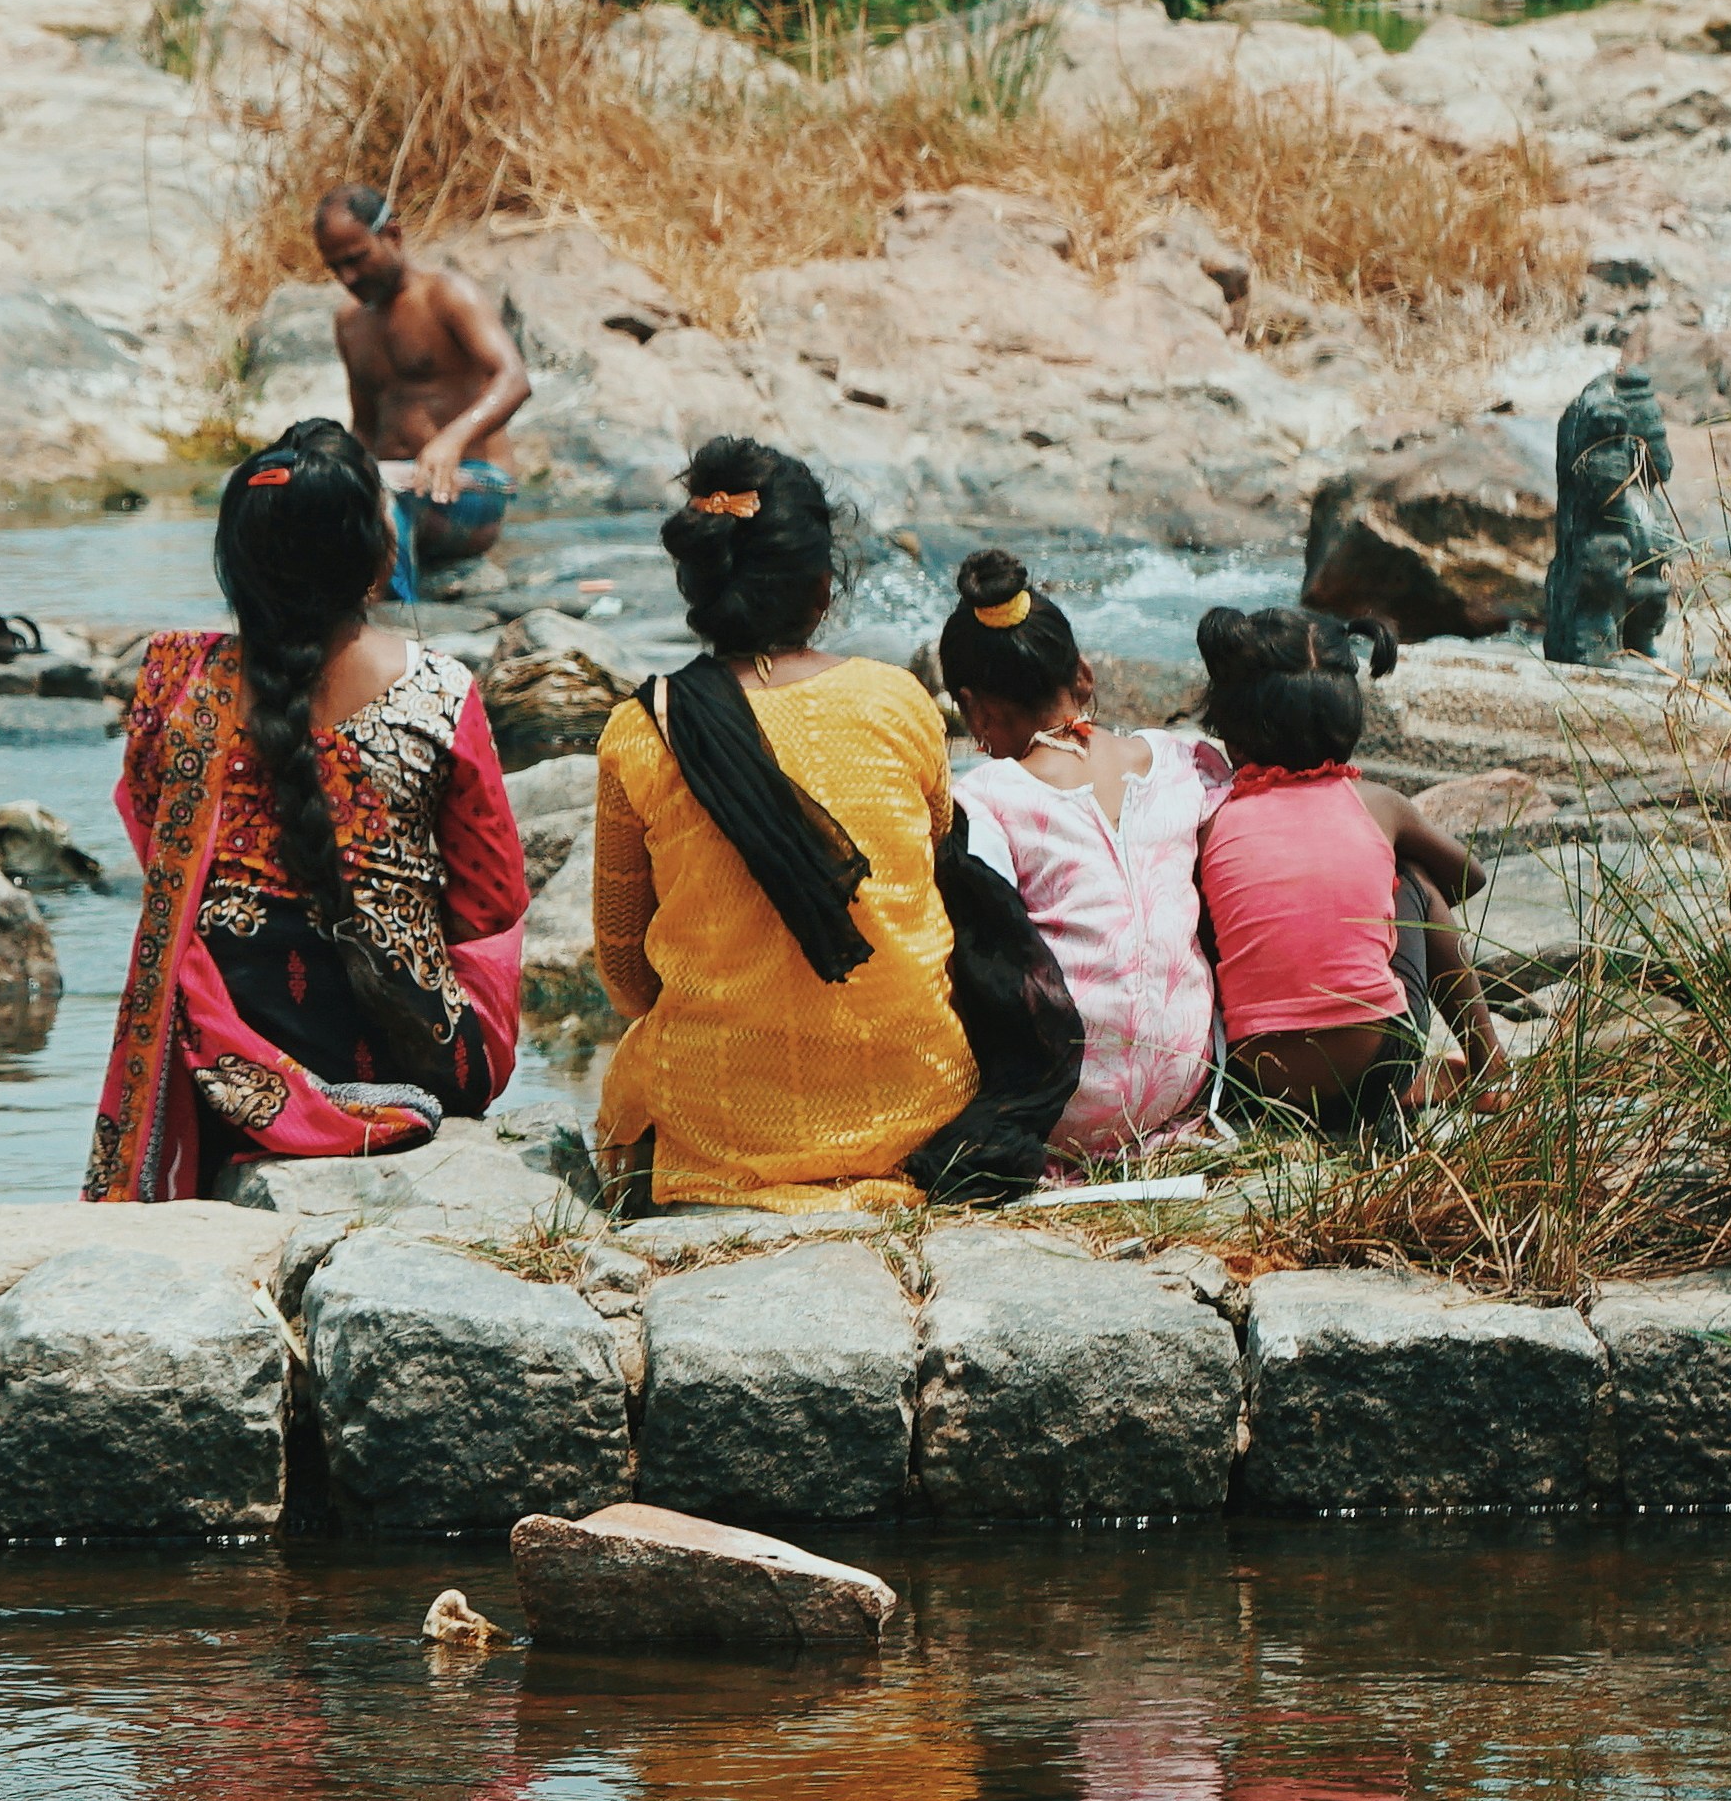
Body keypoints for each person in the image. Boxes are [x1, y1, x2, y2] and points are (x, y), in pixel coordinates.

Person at [89, 418, 531, 1200]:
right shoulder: (440, 689)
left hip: (225, 1064)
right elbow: (491, 901)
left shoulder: (173, 681)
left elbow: (153, 830)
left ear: (238, 561)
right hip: (412, 1053)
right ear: (375, 555)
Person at [587, 439, 974, 1213]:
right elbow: (934, 884)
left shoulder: (642, 732)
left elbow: (628, 982)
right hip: (918, 1114)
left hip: (717, 1131)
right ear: (824, 586)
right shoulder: (899, 704)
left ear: (693, 582)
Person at [936, 552, 1229, 1166]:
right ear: (1084, 675)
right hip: (1188, 1083)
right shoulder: (1181, 762)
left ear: (975, 709)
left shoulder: (985, 800)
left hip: (1062, 1113)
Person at [1188, 607, 1499, 1134]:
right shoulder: (1377, 803)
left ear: (1233, 739)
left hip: (1254, 1081)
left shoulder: (1210, 822)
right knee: (1417, 881)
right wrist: (1375, 883)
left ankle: (1407, 1083)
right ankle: (1487, 1067)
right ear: (1350, 725)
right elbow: (1471, 878)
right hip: (1375, 1068)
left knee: (1212, 907)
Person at [312, 187, 531, 595]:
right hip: (393, 486)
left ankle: (400, 620)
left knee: (380, 490)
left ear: (392, 235)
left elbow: (514, 379)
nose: (348, 278)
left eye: (357, 259)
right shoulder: (349, 323)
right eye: (335, 267)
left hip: (471, 483)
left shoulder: (447, 294)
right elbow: (364, 427)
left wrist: (452, 440)